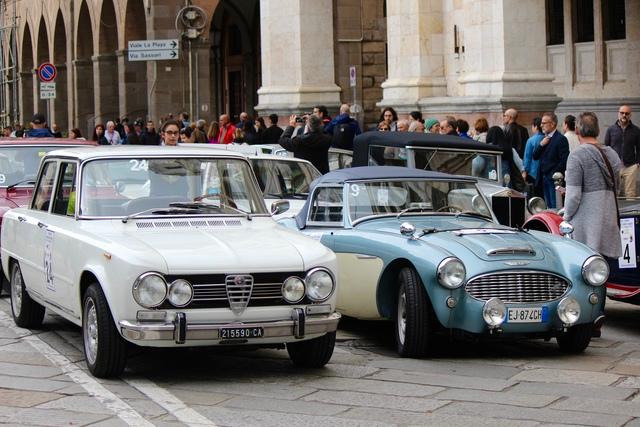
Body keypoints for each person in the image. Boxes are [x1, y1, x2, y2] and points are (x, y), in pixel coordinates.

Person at [564, 112, 622, 260]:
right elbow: (617, 188)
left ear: (577, 130)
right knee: (606, 269)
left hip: (585, 228)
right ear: (598, 130)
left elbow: (573, 195)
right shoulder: (612, 154)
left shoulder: (576, 155)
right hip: (608, 222)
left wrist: (566, 217)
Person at [533, 112, 570, 208]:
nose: (541, 125)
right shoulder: (544, 138)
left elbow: (564, 160)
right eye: (541, 123)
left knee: (555, 206)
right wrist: (541, 144)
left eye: (544, 123)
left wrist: (553, 174)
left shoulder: (561, 139)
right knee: (548, 207)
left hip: (554, 180)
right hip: (543, 178)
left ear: (552, 124)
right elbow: (535, 156)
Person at [605, 105, 640, 198]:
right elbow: (606, 148)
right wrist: (608, 163)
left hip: (630, 167)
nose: (624, 115)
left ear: (630, 115)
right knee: (615, 194)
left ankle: (631, 208)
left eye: (627, 113)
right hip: (614, 167)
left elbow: (639, 148)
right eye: (622, 113)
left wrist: (638, 163)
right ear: (618, 114)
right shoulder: (611, 129)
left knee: (630, 194)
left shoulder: (636, 130)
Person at [522, 117, 544, 196]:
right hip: (543, 172)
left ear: (536, 127)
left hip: (532, 172)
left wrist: (525, 171)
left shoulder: (531, 140)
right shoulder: (546, 138)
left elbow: (527, 157)